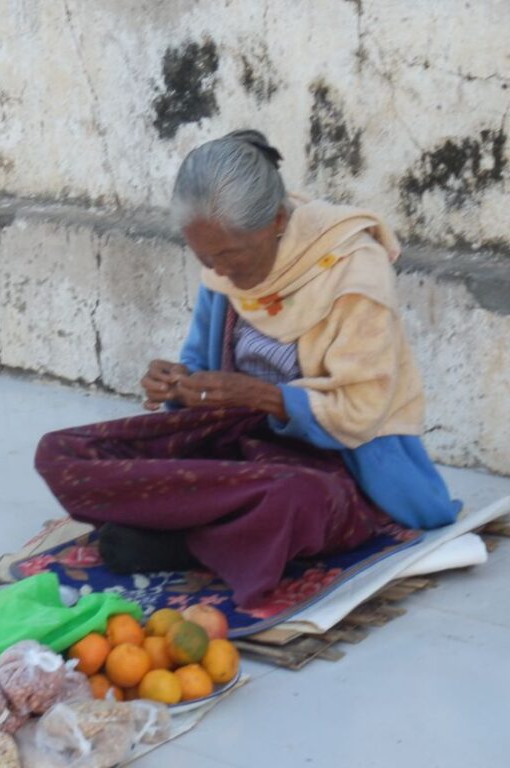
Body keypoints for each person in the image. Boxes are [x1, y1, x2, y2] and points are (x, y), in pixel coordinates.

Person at [34, 130, 460, 608]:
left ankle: (183, 536)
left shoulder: (352, 270)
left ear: (276, 221)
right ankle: (214, 528)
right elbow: (199, 368)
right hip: (239, 450)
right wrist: (177, 382)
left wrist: (265, 397)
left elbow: (360, 411)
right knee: (61, 452)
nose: (221, 272)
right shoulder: (222, 262)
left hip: (334, 465)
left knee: (294, 500)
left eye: (231, 258)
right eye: (206, 260)